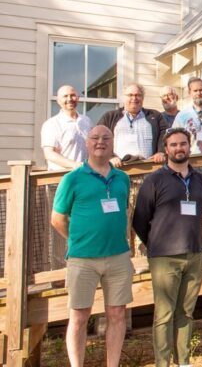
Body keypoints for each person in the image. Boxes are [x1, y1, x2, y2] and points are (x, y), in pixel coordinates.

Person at [50, 126, 132, 367]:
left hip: (118, 257)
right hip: (82, 258)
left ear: (112, 143)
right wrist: (78, 239)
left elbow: (125, 211)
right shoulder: (72, 179)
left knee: (117, 314)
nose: (100, 142)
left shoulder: (122, 178)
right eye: (95, 138)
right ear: (87, 144)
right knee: (79, 315)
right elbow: (57, 219)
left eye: (106, 138)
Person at [133, 128, 202, 367]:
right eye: (174, 144)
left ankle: (183, 361)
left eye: (183, 144)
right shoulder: (154, 180)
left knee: (186, 313)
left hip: (195, 253)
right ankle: (162, 363)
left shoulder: (200, 179)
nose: (179, 148)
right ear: (166, 149)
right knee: (164, 314)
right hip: (164, 256)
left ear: (189, 146)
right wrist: (155, 243)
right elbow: (140, 220)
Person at [98, 83, 167, 166]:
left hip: (149, 169)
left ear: (143, 98)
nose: (134, 98)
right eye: (130, 95)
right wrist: (110, 156)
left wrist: (161, 152)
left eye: (138, 95)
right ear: (123, 97)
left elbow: (165, 134)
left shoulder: (155, 116)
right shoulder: (110, 117)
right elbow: (98, 137)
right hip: (120, 169)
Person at [41, 84, 92, 170]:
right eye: (65, 96)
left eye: (72, 95)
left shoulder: (87, 121)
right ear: (58, 100)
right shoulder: (52, 124)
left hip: (85, 176)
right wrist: (75, 165)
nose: (69, 99)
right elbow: (49, 154)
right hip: (60, 178)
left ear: (78, 98)